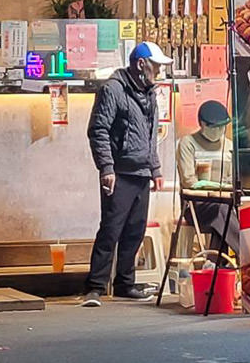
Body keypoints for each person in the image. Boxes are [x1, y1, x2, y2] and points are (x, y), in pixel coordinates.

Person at [82, 41, 172, 308]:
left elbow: (150, 135)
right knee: (111, 230)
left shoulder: (150, 94)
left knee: (135, 231)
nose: (158, 71)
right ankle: (95, 287)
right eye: (155, 66)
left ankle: (124, 283)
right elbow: (98, 130)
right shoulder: (113, 89)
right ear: (141, 64)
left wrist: (155, 168)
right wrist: (106, 168)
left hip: (142, 172)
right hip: (119, 172)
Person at [175, 100, 239, 254]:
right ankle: (246, 255)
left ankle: (216, 267)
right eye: (214, 127)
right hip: (198, 206)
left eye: (222, 127)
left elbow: (234, 178)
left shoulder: (229, 146)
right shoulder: (188, 143)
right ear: (202, 124)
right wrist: (211, 187)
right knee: (222, 211)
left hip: (225, 203)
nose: (218, 131)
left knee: (224, 213)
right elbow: (189, 180)